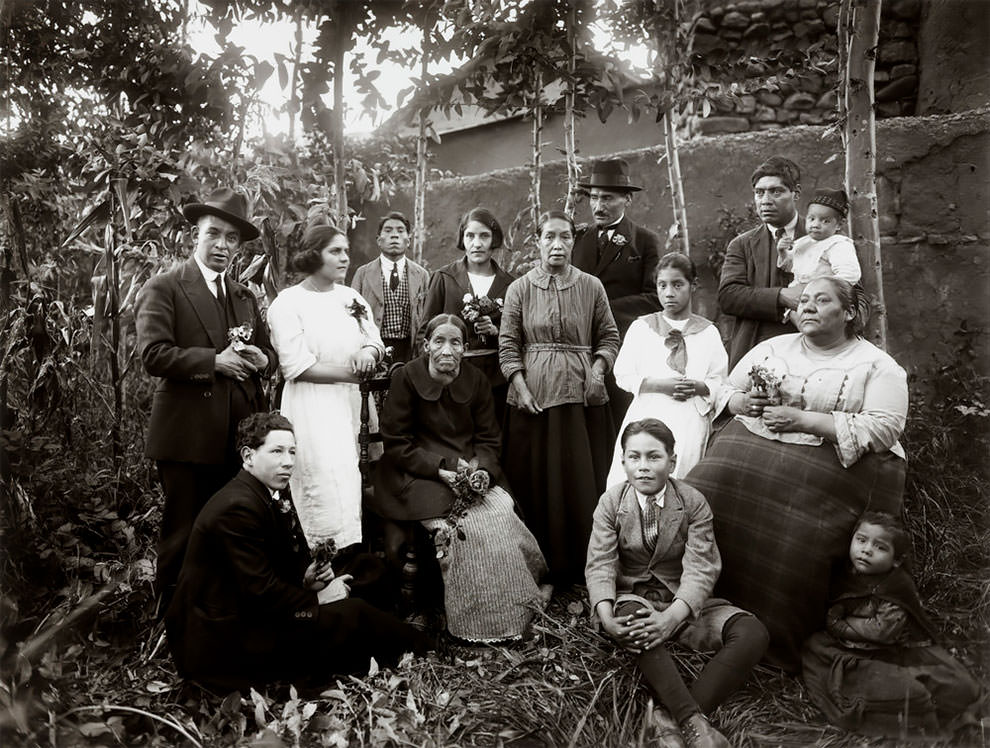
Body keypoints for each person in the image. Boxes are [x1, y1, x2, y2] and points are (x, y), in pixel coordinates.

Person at [686, 277, 909, 672]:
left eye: (821, 301)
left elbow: (884, 427)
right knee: (696, 498)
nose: (806, 307)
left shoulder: (876, 365)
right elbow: (724, 391)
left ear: (850, 313)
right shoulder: (772, 348)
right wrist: (744, 400)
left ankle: (772, 640)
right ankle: (690, 611)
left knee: (796, 533)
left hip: (831, 458)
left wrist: (806, 419)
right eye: (803, 300)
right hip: (754, 445)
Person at [164, 412, 432, 692]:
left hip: (253, 607)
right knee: (353, 612)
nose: (288, 461)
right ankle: (424, 649)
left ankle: (398, 636)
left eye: (292, 452)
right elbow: (259, 591)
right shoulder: (236, 507)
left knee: (365, 568)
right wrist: (316, 598)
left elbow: (265, 567)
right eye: (276, 451)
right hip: (227, 638)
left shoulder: (262, 491)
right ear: (248, 455)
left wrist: (306, 578)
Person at [587, 419, 769, 748]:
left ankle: (672, 720)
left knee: (753, 632)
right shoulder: (611, 503)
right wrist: (605, 615)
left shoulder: (693, 502)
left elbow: (701, 568)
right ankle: (694, 724)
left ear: (672, 461)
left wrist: (672, 618)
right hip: (634, 599)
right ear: (623, 461)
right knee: (636, 621)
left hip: (682, 601)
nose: (643, 467)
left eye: (654, 457)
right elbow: (600, 562)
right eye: (634, 457)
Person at [135, 186, 276, 606]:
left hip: (239, 436)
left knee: (231, 528)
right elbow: (153, 354)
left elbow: (267, 352)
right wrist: (214, 362)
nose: (222, 245)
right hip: (188, 437)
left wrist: (261, 360)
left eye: (232, 239)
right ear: (195, 233)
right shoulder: (165, 287)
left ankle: (216, 617)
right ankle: (171, 620)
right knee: (182, 530)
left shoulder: (243, 295)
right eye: (213, 233)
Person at [371, 315, 548, 643]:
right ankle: (465, 619)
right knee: (463, 528)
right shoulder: (408, 377)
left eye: (455, 343)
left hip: (468, 469)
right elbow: (396, 442)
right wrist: (440, 467)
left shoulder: (477, 380)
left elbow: (489, 439)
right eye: (439, 341)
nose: (446, 350)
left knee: (498, 513)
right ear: (426, 346)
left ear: (465, 349)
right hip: (417, 473)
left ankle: (510, 609)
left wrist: (482, 470)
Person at [499, 210, 620, 583]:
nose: (557, 244)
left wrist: (598, 371)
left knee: (581, 479)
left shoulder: (591, 286)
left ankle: (587, 566)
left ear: (573, 241)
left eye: (565, 237)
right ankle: (540, 566)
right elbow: (508, 345)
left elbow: (609, 336)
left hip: (581, 396)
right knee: (538, 480)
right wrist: (519, 386)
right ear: (537, 241)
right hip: (534, 397)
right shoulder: (519, 288)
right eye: (549, 236)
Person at [802, 512, 984, 737]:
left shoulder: (896, 587)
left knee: (952, 686)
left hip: (889, 648)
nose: (867, 550)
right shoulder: (847, 573)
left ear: (896, 560)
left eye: (880, 547)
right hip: (852, 646)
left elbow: (882, 630)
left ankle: (925, 709)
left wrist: (840, 624)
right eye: (861, 540)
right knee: (816, 648)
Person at [267, 223, 385, 552]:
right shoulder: (287, 304)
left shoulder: (351, 297)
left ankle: (355, 561)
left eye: (346, 250)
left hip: (351, 405)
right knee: (323, 480)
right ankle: (323, 563)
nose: (345, 257)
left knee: (351, 480)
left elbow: (375, 340)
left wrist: (368, 352)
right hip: (313, 406)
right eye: (335, 251)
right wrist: (355, 375)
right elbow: (296, 366)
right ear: (312, 254)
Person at [605, 253, 727, 487]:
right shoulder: (642, 328)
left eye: (677, 284)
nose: (669, 293)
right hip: (648, 413)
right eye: (662, 285)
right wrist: (662, 385)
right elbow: (623, 374)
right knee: (638, 478)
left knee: (681, 477)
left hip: (689, 419)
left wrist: (698, 386)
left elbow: (719, 379)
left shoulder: (708, 332)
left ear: (694, 286)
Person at [572, 158, 662, 425]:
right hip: (580, 347)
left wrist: (604, 310)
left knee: (624, 420)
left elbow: (655, 297)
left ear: (627, 200)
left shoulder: (645, 241)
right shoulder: (575, 239)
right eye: (595, 197)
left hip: (625, 347)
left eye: (608, 198)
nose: (599, 206)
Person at [421, 207, 515, 421]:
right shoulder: (444, 278)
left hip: (496, 383)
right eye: (470, 236)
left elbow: (518, 337)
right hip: (451, 376)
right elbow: (424, 332)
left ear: (495, 239)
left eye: (484, 236)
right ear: (463, 239)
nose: (477, 243)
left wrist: (495, 330)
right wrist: (430, 380)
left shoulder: (510, 285)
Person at [717, 156, 807, 369]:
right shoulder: (742, 244)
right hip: (758, 349)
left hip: (812, 347)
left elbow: (853, 294)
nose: (765, 200)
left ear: (796, 193)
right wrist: (782, 296)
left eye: (776, 191)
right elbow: (729, 296)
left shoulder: (823, 238)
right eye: (759, 193)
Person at [350, 211, 429, 364]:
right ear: (379, 240)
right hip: (373, 349)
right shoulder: (363, 274)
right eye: (388, 230)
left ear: (408, 240)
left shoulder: (422, 275)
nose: (394, 235)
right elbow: (353, 317)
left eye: (400, 231)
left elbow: (428, 317)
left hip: (410, 351)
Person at [781, 187, 860, 292]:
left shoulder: (838, 245)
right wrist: (782, 251)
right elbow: (790, 268)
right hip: (798, 298)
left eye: (825, 221)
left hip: (824, 298)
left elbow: (850, 274)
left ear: (839, 224)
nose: (815, 225)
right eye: (812, 219)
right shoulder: (802, 242)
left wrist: (818, 289)